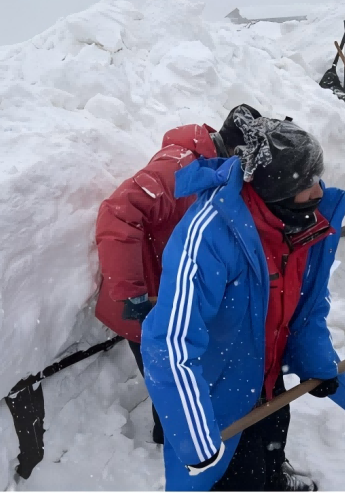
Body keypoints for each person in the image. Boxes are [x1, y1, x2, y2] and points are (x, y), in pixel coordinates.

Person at [141, 114, 345, 491]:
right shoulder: (209, 235)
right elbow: (169, 343)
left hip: (268, 376)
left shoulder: (302, 223)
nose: (319, 191)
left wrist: (316, 360)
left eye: (317, 178)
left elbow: (307, 305)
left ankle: (274, 476)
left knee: (272, 446)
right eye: (306, 184)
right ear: (277, 189)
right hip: (221, 392)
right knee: (241, 476)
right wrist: (195, 437)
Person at [94, 104, 261, 445]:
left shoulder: (211, 168)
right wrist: (132, 292)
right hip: (148, 303)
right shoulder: (179, 167)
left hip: (176, 297)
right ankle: (178, 448)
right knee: (172, 385)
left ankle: (181, 439)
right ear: (237, 149)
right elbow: (118, 214)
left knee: (182, 379)